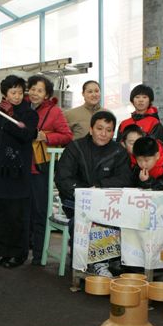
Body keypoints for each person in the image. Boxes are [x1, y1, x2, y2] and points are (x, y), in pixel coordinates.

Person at [55, 111, 133, 277]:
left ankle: (114, 259)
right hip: (76, 202)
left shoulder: (119, 151)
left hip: (109, 204)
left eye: (109, 130)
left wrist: (98, 187)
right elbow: (63, 178)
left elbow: (125, 178)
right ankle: (92, 262)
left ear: (113, 132)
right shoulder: (75, 147)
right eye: (99, 128)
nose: (103, 134)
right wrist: (84, 194)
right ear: (91, 129)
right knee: (83, 221)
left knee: (128, 218)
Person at [0, 75, 38, 268]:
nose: (17, 96)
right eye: (13, 92)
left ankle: (18, 254)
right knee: (0, 216)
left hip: (16, 173)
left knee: (17, 217)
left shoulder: (28, 114)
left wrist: (11, 119)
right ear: (5, 93)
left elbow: (27, 135)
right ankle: (3, 252)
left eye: (20, 92)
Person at [26, 75, 72, 265]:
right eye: (33, 88)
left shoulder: (54, 111)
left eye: (40, 90)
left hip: (39, 168)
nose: (35, 93)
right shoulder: (22, 107)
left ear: (46, 95)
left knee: (39, 211)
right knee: (24, 211)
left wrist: (47, 137)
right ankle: (23, 249)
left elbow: (67, 136)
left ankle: (38, 254)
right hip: (21, 168)